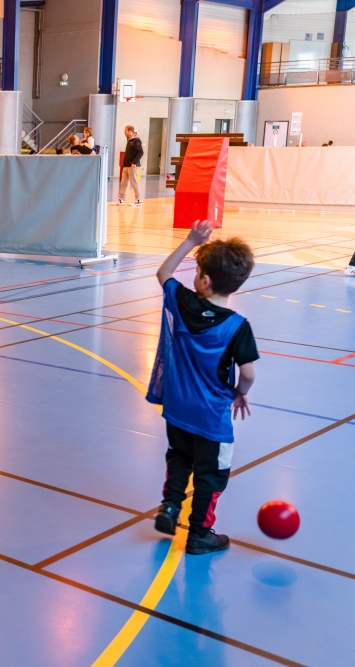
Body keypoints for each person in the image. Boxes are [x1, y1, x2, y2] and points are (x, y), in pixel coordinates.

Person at [147, 220, 259, 556]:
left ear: (204, 281)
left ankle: (170, 508)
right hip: (211, 417)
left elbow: (164, 273)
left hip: (178, 407)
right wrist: (241, 392)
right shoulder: (237, 326)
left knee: (179, 457)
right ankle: (199, 534)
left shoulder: (182, 303)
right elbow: (248, 374)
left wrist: (191, 242)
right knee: (212, 474)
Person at [117, 125, 144, 206]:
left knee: (133, 183)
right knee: (123, 183)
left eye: (125, 131)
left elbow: (140, 152)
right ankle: (121, 200)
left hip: (132, 165)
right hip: (126, 165)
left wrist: (134, 162)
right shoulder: (129, 139)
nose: (124, 132)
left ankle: (138, 200)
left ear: (130, 131)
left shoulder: (136, 140)